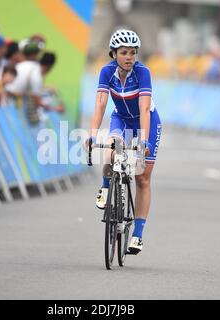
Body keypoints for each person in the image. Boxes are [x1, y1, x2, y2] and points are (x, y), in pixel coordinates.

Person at [85, 29, 162, 255]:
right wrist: (92, 134)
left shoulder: (142, 72)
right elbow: (100, 104)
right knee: (110, 150)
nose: (129, 57)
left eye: (133, 52)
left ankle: (137, 235)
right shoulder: (106, 72)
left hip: (146, 121)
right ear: (113, 54)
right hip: (120, 118)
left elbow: (144, 108)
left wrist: (144, 140)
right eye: (124, 52)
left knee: (142, 178)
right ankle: (106, 187)